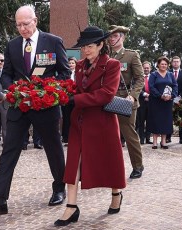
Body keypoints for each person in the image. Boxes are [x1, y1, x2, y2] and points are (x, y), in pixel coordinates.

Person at [0, 5, 70, 214]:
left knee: (53, 148)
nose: (22, 29)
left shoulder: (53, 42)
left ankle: (59, 188)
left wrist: (47, 91)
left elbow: (64, 74)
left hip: (46, 106)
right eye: (18, 25)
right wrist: (14, 90)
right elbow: (6, 75)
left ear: (35, 21)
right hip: (20, 106)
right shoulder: (12, 45)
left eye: (25, 24)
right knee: (9, 150)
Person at [54, 26, 126, 227]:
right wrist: (61, 92)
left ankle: (116, 193)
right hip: (80, 121)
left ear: (101, 44)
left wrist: (75, 99)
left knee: (109, 162)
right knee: (73, 163)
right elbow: (76, 87)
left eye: (90, 46)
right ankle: (71, 207)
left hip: (103, 122)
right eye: (83, 47)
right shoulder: (78, 65)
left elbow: (107, 94)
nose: (86, 50)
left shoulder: (112, 65)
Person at [108, 25, 144, 179]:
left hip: (125, 100)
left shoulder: (131, 55)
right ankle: (110, 167)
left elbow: (140, 78)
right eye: (110, 37)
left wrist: (133, 96)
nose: (111, 39)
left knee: (129, 135)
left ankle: (137, 166)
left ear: (122, 38)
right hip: (108, 100)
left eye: (115, 36)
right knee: (108, 136)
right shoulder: (105, 55)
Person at [147, 56, 178, 149]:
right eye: (162, 64)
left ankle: (163, 142)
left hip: (167, 102)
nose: (163, 66)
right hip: (156, 101)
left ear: (168, 65)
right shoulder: (153, 75)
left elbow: (175, 86)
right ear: (158, 65)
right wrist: (160, 95)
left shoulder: (171, 75)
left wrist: (171, 96)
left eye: (165, 64)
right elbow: (151, 87)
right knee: (155, 120)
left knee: (165, 121)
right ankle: (155, 142)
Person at [168, 56, 182, 144]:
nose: (176, 63)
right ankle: (168, 137)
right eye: (174, 61)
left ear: (180, 63)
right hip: (169, 99)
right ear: (172, 63)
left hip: (181, 100)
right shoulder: (167, 73)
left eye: (177, 61)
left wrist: (180, 97)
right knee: (169, 118)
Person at [136, 61, 152, 144]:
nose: (146, 69)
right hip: (141, 102)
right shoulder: (139, 77)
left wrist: (150, 96)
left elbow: (155, 87)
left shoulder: (153, 77)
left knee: (149, 121)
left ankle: (148, 138)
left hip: (151, 102)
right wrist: (144, 94)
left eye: (147, 68)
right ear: (142, 68)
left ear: (150, 68)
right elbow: (136, 88)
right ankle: (141, 139)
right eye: (144, 68)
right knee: (141, 121)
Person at [61, 57, 77, 145]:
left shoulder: (78, 73)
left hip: (76, 98)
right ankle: (66, 137)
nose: (70, 65)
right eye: (69, 63)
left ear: (75, 64)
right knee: (66, 118)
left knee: (75, 117)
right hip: (66, 98)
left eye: (72, 63)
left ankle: (75, 137)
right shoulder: (65, 73)